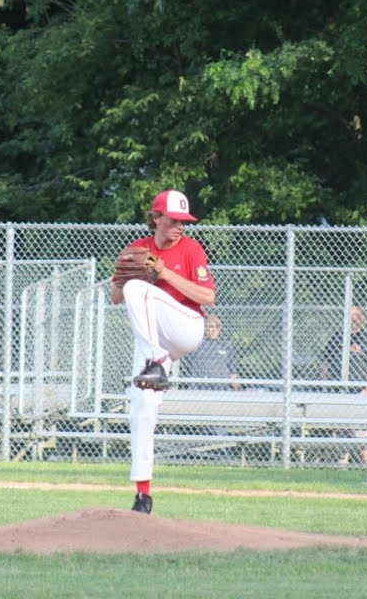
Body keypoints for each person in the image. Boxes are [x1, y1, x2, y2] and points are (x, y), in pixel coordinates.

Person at [111, 189, 217, 514]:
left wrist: (164, 273)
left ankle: (155, 362)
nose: (180, 226)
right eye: (174, 220)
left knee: (139, 288)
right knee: (141, 406)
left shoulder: (191, 249)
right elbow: (116, 297)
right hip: (154, 340)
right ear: (156, 218)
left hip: (187, 326)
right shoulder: (138, 249)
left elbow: (208, 297)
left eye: (184, 221)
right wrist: (125, 274)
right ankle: (142, 495)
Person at [320, 305, 367, 468]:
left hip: (358, 392)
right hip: (338, 393)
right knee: (342, 432)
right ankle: (342, 467)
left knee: (360, 432)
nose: (353, 319)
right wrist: (326, 387)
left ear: (362, 318)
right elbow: (325, 363)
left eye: (357, 316)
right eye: (350, 315)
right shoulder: (337, 337)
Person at [179, 313, 240, 390]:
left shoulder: (224, 347)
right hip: (199, 387)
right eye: (210, 326)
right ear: (205, 328)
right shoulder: (198, 343)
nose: (214, 329)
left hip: (221, 388)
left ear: (220, 329)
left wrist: (236, 384)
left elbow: (233, 371)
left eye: (216, 327)